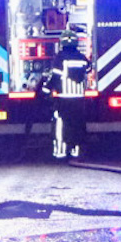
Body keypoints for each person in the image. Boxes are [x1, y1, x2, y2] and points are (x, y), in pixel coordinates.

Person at [39, 29, 91, 160]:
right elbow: (89, 68)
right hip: (79, 100)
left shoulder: (60, 58)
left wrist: (45, 90)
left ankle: (60, 152)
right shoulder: (81, 58)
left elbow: (55, 77)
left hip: (64, 100)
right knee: (77, 125)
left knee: (61, 125)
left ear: (62, 43)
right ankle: (76, 151)